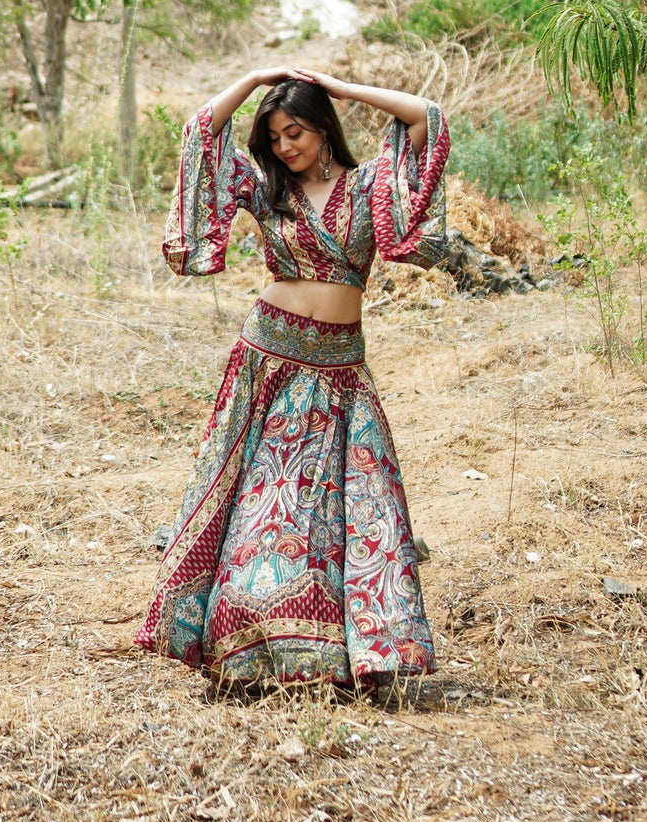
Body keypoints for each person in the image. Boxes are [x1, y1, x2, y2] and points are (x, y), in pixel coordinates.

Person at [135, 67, 451, 694]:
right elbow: (202, 130)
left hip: (338, 371)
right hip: (270, 359)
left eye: (297, 132)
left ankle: (354, 655)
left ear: (324, 127)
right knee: (261, 510)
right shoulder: (266, 188)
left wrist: (341, 88)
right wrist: (255, 79)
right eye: (275, 137)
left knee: (353, 511)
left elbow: (426, 117)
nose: (285, 147)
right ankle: (253, 652)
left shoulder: (370, 186)